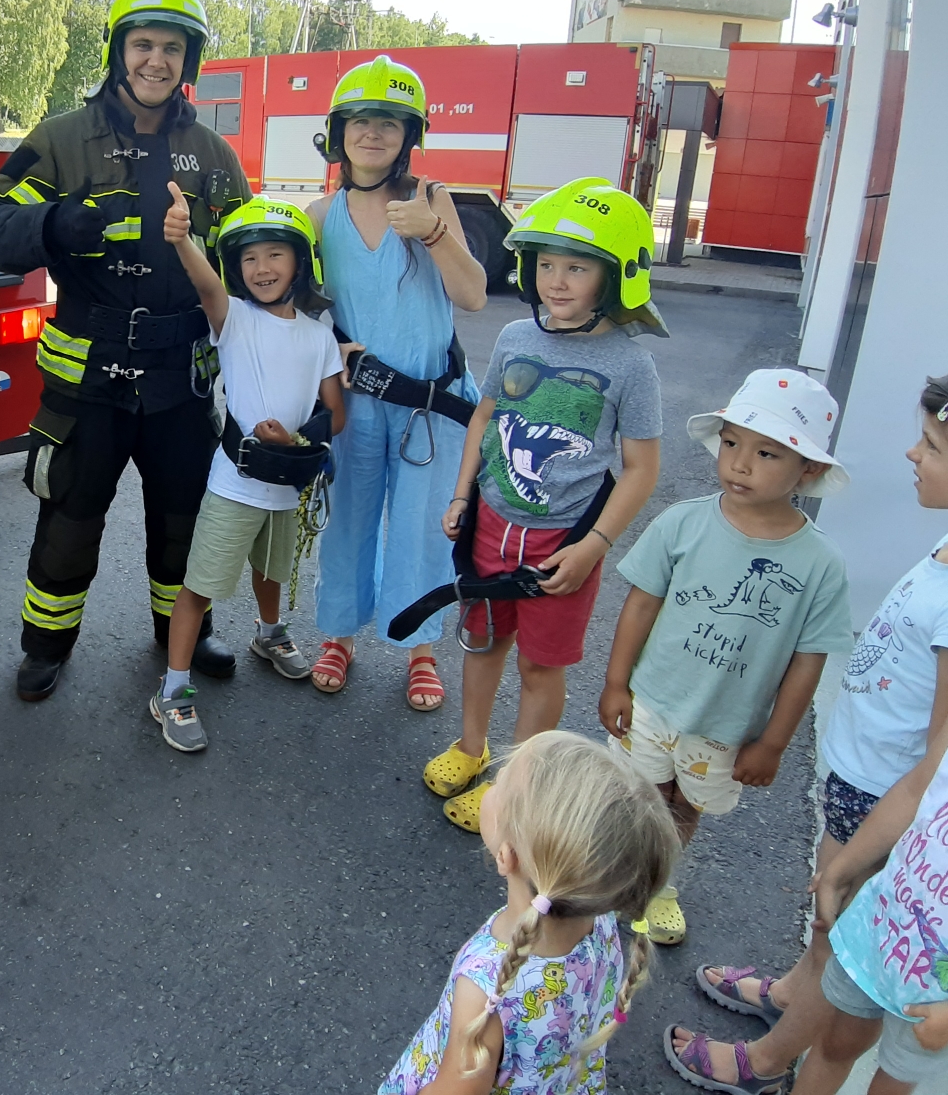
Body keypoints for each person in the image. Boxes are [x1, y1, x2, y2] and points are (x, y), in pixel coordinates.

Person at [0, 0, 250, 703]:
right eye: (142, 44)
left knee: (184, 517)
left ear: (190, 61)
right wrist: (52, 223)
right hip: (86, 383)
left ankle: (182, 637)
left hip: (181, 383)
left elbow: (251, 264)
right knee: (69, 516)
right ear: (118, 50)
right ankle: (46, 646)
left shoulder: (216, 156)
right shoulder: (62, 139)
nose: (156, 60)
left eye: (172, 48)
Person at [666, 374, 948, 1094]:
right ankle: (797, 990)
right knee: (829, 924)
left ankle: (769, 1060)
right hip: (861, 774)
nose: (913, 453)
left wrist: (865, 847)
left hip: (889, 796)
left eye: (934, 445)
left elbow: (936, 761)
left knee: (842, 930)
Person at [425, 178, 665, 834]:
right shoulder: (514, 336)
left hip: (563, 547)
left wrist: (595, 547)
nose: (557, 281)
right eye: (548, 264)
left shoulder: (630, 365)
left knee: (539, 663)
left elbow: (643, 469)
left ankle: (517, 784)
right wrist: (461, 494)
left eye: (578, 267)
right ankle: (472, 748)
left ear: (616, 276)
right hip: (491, 526)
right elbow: (484, 416)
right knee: (482, 642)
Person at [599, 369, 852, 945]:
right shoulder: (683, 521)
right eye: (732, 443)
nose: (739, 463)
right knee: (635, 794)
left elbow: (807, 661)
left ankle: (661, 884)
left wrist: (773, 743)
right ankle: (614, 874)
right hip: (654, 700)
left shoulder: (819, 564)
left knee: (685, 806)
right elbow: (639, 606)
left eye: (766, 453)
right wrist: (617, 683)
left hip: (724, 726)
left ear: (807, 470)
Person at [301, 57, 488, 705]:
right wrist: (327, 345)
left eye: (388, 122)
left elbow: (473, 296)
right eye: (359, 120)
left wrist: (435, 233)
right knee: (349, 520)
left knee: (419, 528)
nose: (372, 133)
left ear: (410, 136)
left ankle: (420, 645)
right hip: (356, 406)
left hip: (429, 409)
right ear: (339, 130)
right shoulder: (322, 214)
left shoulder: (430, 199)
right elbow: (300, 310)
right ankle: (340, 634)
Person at [378, 730, 680, 1095]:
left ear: (507, 856)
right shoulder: (599, 918)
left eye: (500, 783)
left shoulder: (486, 989)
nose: (492, 782)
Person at [153, 188, 345, 751]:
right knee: (200, 586)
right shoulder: (233, 319)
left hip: (286, 483)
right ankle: (174, 689)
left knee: (273, 570)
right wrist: (182, 239)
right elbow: (205, 284)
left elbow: (336, 414)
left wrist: (298, 437)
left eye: (274, 254)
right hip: (234, 484)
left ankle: (269, 633)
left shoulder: (320, 333)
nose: (260, 268)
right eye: (249, 258)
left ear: (300, 262)